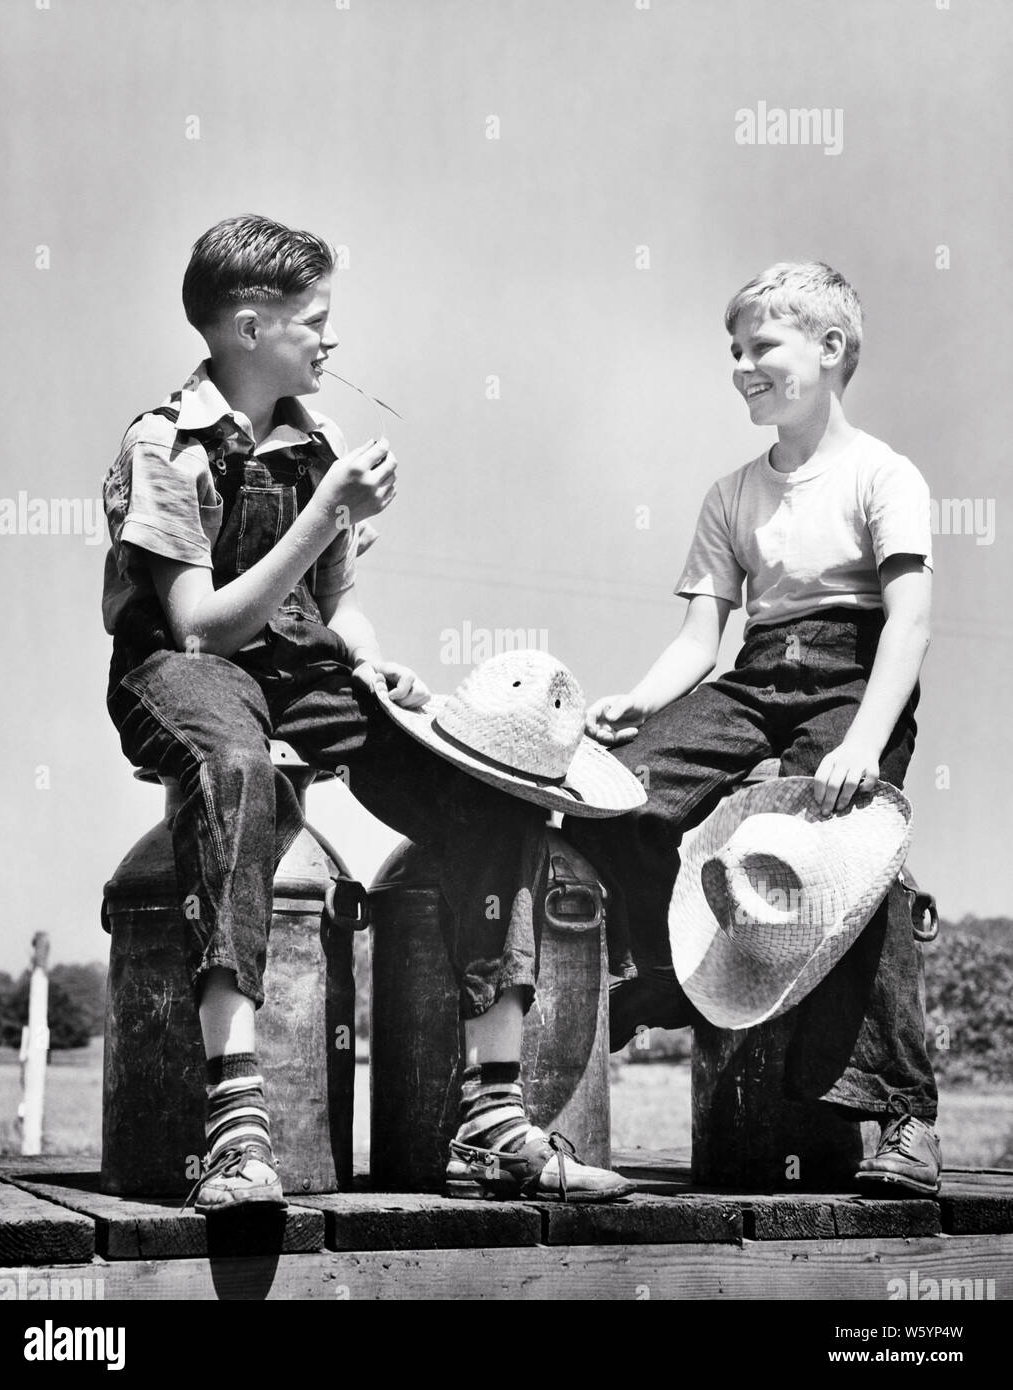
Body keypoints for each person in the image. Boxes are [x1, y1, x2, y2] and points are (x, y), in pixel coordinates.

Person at [101, 213, 634, 1210]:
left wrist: (375, 665)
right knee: (237, 769)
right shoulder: (164, 444)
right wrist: (325, 507)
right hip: (180, 673)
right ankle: (236, 1124)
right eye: (316, 321)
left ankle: (492, 1121)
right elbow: (200, 629)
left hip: (303, 669)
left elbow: (332, 608)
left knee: (498, 787)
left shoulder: (319, 441)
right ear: (250, 328)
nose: (331, 342)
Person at [564, 261, 942, 1195]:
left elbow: (909, 621)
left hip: (854, 678)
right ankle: (660, 974)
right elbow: (703, 633)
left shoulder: (882, 474)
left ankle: (901, 1118)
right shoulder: (730, 492)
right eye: (733, 350)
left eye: (760, 345)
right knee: (615, 795)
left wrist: (862, 744)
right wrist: (641, 704)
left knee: (848, 857)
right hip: (757, 670)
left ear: (829, 348)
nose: (741, 365)